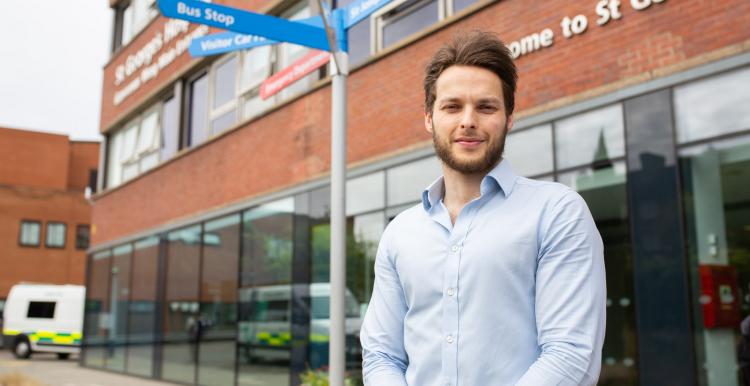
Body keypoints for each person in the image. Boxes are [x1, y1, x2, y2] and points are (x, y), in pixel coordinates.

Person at [359, 31, 606, 386]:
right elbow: (382, 354)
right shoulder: (400, 232)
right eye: (452, 106)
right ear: (429, 118)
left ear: (508, 118)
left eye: (486, 107)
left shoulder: (557, 212)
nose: (468, 120)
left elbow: (569, 354)